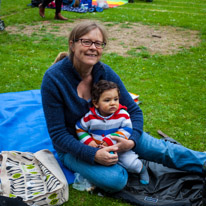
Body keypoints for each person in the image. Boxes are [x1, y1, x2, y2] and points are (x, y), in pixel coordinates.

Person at [41, 20, 206, 193]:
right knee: (115, 180)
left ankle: (202, 161)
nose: (93, 47)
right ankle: (127, 163)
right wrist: (93, 154)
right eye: (86, 41)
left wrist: (131, 141)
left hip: (115, 133)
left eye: (98, 43)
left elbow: (134, 110)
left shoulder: (104, 72)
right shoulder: (54, 79)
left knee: (161, 149)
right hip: (76, 146)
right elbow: (58, 134)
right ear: (72, 45)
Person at [76, 80, 149, 185]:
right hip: (98, 151)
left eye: (116, 99)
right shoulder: (90, 117)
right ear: (96, 103)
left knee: (131, 163)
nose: (113, 103)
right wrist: (89, 141)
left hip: (119, 148)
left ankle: (142, 170)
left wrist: (110, 140)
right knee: (101, 169)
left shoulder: (122, 114)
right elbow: (79, 128)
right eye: (107, 100)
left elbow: (127, 129)